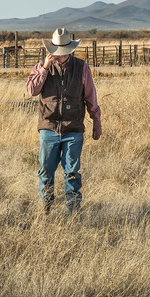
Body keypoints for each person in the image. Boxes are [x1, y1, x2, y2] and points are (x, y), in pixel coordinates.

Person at [26, 28, 102, 215]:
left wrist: (96, 121)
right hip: (48, 129)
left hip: (73, 129)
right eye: (57, 52)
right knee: (46, 171)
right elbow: (31, 91)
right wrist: (44, 68)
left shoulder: (82, 67)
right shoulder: (41, 67)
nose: (60, 56)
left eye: (64, 52)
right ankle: (47, 208)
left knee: (73, 173)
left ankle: (73, 213)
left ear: (70, 50)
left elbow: (90, 96)